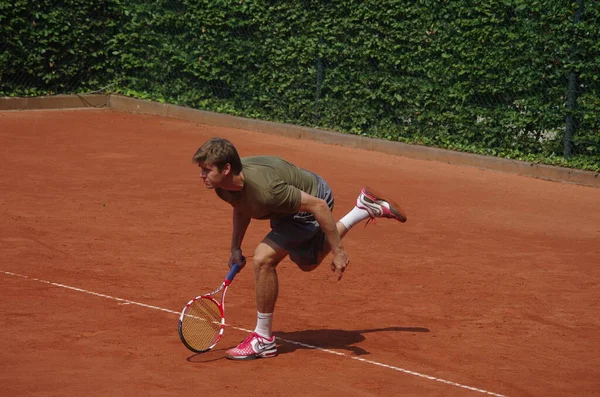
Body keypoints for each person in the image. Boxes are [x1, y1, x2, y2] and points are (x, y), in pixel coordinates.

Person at [192, 137, 407, 360]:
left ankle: (263, 339)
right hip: (285, 208)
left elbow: (319, 206)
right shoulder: (223, 186)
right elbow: (241, 206)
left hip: (313, 199)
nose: (202, 175)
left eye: (206, 170)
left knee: (263, 258)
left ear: (226, 169)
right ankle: (362, 209)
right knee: (308, 262)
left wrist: (338, 251)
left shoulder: (266, 190)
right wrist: (235, 247)